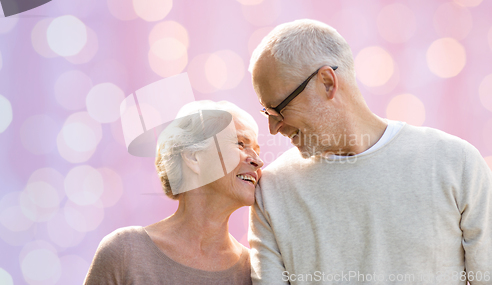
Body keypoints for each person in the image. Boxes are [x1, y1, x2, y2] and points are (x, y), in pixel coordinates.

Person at [247, 19, 492, 284]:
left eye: (278, 109)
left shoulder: (455, 163)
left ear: (328, 83)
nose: (273, 128)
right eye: (266, 113)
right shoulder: (271, 191)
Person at [84, 100, 263, 285]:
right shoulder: (124, 251)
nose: (259, 162)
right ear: (193, 157)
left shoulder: (255, 271)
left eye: (258, 151)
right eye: (241, 144)